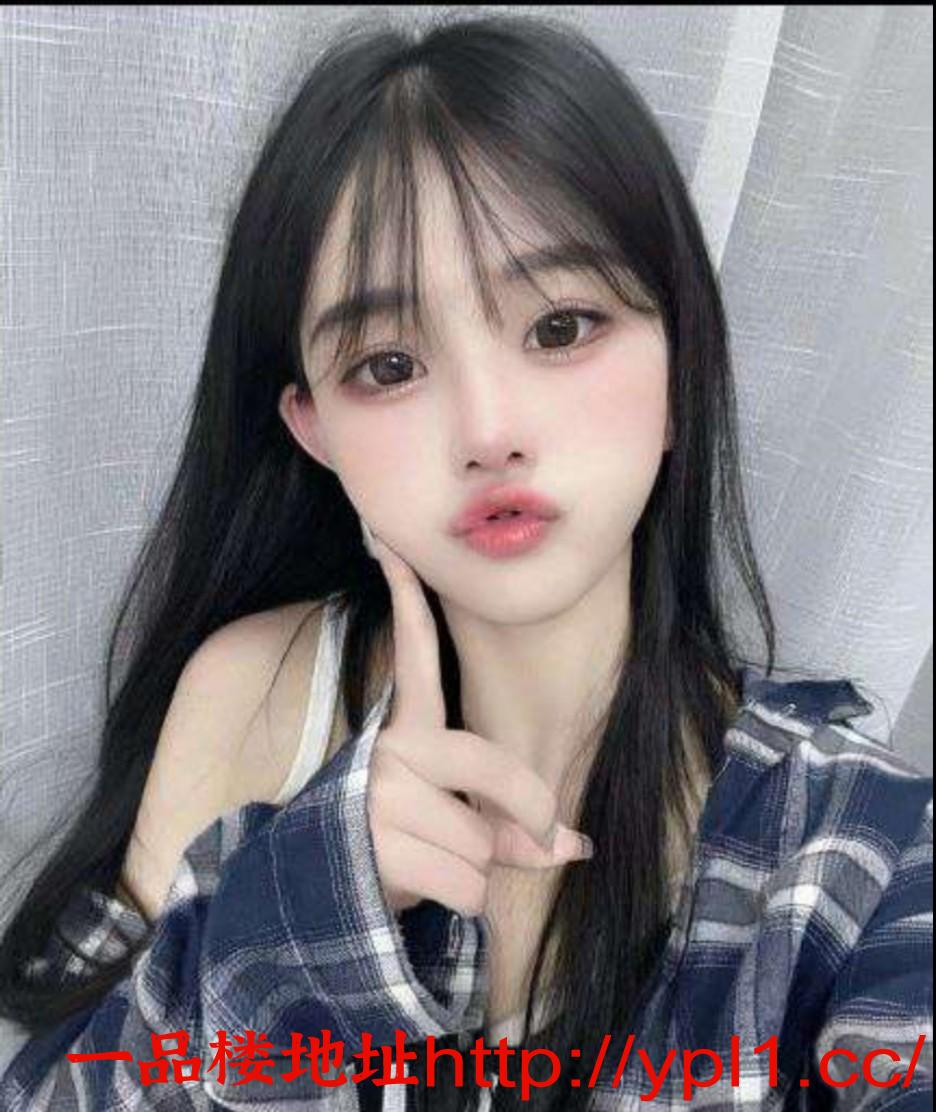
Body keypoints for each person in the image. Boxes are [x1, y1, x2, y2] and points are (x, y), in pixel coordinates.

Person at [0, 11, 931, 1112]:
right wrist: (299, 921)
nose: (489, 430)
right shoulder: (263, 696)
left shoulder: (857, 846)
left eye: (560, 327)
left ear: (683, 363)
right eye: (390, 365)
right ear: (313, 430)